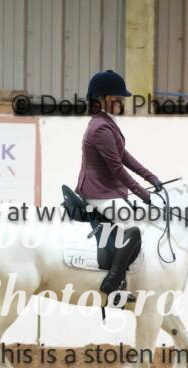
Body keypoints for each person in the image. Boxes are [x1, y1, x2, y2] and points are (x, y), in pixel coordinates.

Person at [76, 70, 163, 305]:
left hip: (107, 189)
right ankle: (113, 282)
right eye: (117, 98)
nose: (121, 102)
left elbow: (123, 155)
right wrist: (143, 193)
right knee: (133, 226)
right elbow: (116, 168)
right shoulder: (100, 128)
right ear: (103, 98)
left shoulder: (106, 122)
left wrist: (151, 177)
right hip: (97, 191)